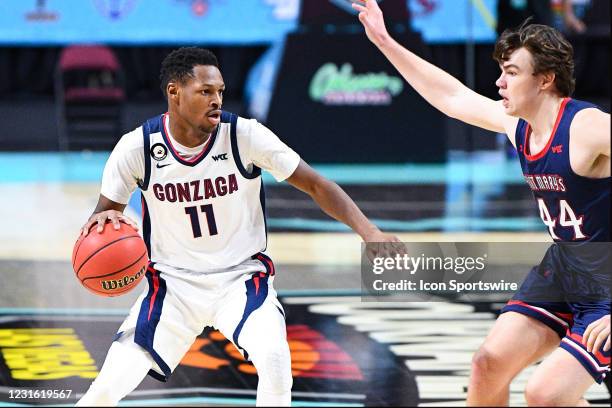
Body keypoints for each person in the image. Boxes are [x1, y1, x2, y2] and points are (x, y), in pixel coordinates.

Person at [75, 47, 399, 407]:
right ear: (174, 92)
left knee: (276, 364)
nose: (216, 100)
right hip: (172, 285)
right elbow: (105, 214)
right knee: (107, 385)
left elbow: (316, 185)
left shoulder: (244, 136)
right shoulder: (137, 148)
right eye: (205, 92)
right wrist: (97, 227)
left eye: (220, 92)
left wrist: (369, 231)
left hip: (241, 280)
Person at [352, 0, 610, 405]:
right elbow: (452, 96)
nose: (499, 83)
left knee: (545, 395)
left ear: (544, 80)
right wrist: (384, 41)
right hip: (565, 267)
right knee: (487, 363)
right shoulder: (518, 126)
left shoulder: (589, 127)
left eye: (511, 73)